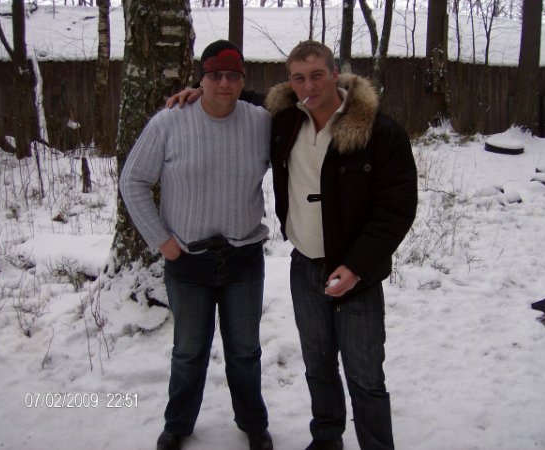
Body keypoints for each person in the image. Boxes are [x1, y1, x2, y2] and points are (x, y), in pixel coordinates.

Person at [169, 40, 418, 450]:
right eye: (298, 78)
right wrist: (202, 91)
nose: (309, 86)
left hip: (357, 273)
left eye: (317, 75)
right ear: (289, 82)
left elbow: (397, 208)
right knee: (318, 367)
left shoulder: (378, 131)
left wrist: (357, 266)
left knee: (365, 376)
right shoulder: (286, 119)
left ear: (335, 74)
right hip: (304, 268)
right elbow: (239, 95)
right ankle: (326, 439)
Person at [120, 40, 274, 450]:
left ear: (243, 80)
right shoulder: (169, 123)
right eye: (214, 76)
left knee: (245, 351)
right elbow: (132, 181)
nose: (224, 84)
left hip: (243, 259)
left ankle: (253, 424)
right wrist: (162, 241)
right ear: (200, 78)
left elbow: (303, 112)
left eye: (233, 76)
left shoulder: (261, 123)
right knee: (189, 351)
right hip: (188, 261)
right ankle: (177, 425)